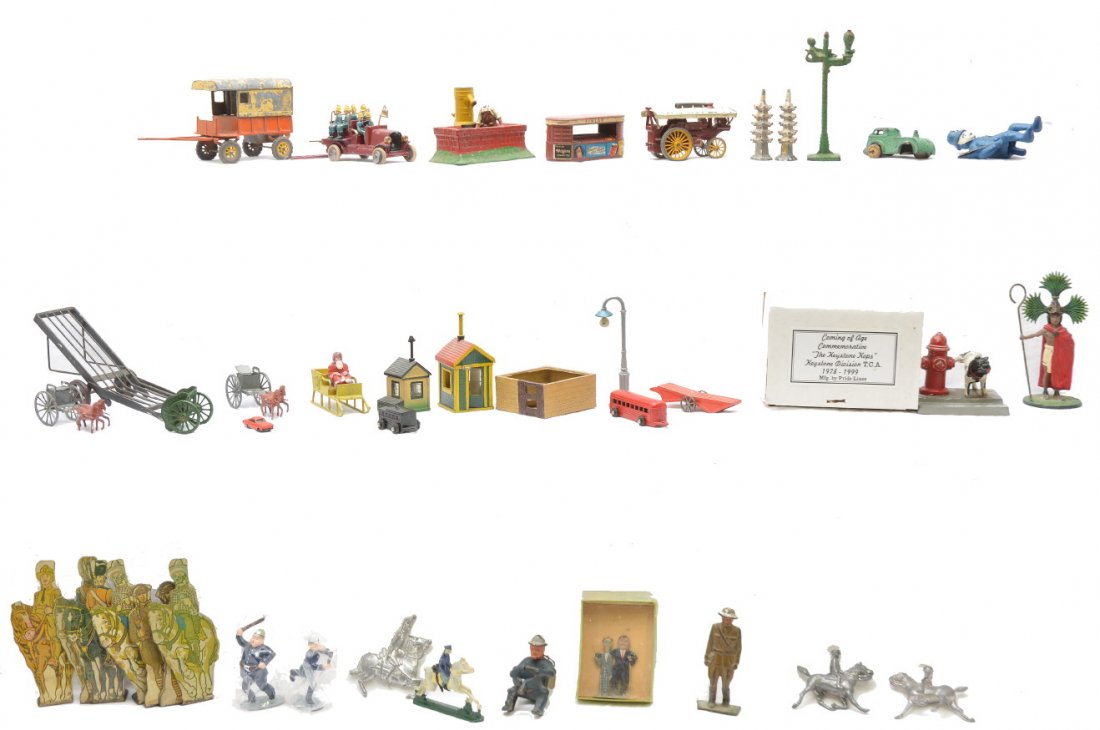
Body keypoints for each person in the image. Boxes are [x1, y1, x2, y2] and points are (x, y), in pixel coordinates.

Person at [1021, 305, 1075, 397]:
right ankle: (1045, 390)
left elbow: (1069, 342)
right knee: (1047, 372)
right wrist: (1024, 337)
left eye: (1057, 317)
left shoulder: (1063, 331)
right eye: (1053, 317)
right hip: (1048, 352)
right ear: (1049, 318)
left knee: (1058, 372)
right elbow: (1035, 334)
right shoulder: (1046, 329)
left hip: (1059, 354)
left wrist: (1062, 339)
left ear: (1060, 318)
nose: (1055, 319)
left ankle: (1056, 390)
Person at [502, 634, 556, 717]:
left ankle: (538, 709)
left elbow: (552, 672)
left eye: (537, 649)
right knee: (512, 690)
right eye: (532, 649)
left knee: (544, 693)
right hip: (522, 690)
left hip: (537, 691)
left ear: (543, 649)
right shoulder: (526, 660)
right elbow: (513, 673)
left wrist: (539, 671)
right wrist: (519, 669)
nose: (534, 651)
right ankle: (509, 705)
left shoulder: (545, 663)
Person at [704, 608, 742, 708]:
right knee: (713, 682)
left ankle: (726, 702)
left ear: (733, 619)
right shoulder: (715, 627)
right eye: (725, 618)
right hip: (715, 659)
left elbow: (738, 648)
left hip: (728, 661)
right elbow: (710, 643)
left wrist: (736, 662)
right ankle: (711, 700)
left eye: (730, 619)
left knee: (726, 684)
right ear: (722, 617)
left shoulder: (737, 631)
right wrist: (707, 657)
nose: (727, 620)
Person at [290, 633, 333, 705]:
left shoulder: (317, 648)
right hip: (308, 666)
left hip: (310, 665)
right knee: (313, 683)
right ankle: (308, 698)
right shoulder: (309, 653)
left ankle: (294, 672)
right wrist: (323, 667)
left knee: (304, 675)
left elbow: (327, 652)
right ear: (309, 645)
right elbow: (313, 666)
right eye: (311, 644)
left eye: (316, 644)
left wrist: (328, 657)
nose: (315, 646)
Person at [237, 627, 276, 703]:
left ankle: (271, 694)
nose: (253, 640)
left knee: (262, 686)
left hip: (258, 672)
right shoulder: (248, 645)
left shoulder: (263, 648)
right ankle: (252, 699)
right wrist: (239, 635)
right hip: (247, 671)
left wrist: (264, 662)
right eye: (253, 637)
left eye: (256, 639)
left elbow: (272, 654)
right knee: (245, 686)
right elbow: (241, 641)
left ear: (262, 640)